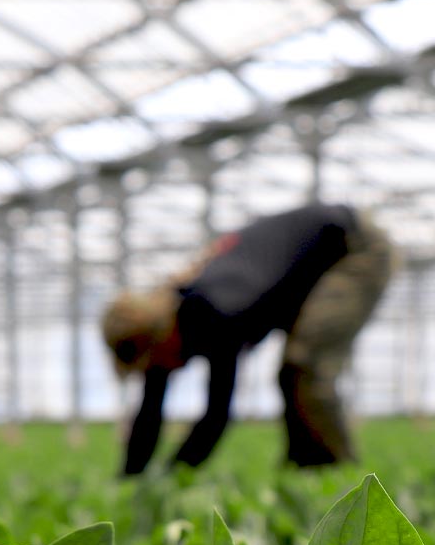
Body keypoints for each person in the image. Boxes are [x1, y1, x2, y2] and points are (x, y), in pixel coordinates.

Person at [102, 202, 395, 475]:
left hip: (353, 246)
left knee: (304, 363)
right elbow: (150, 409)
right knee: (291, 372)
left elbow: (217, 414)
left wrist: (173, 475)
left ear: (161, 341)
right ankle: (305, 467)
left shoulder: (219, 311)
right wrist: (131, 477)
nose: (164, 370)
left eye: (155, 363)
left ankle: (339, 473)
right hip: (306, 264)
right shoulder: (168, 324)